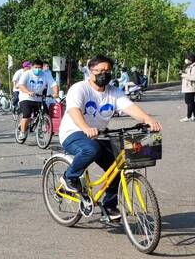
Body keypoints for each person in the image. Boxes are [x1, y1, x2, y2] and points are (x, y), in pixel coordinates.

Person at [58, 54, 162, 221]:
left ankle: (109, 206)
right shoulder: (79, 88)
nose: (103, 74)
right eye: (100, 70)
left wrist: (147, 119)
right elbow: (74, 110)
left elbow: (130, 107)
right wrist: (85, 127)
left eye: (107, 71)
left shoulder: (114, 92)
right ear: (91, 71)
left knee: (118, 165)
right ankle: (69, 177)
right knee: (92, 149)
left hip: (99, 133)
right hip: (73, 132)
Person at [16, 58, 59, 143]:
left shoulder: (45, 74)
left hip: (39, 98)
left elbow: (53, 84)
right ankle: (23, 132)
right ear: (32, 67)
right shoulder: (27, 74)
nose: (38, 69)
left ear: (42, 68)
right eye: (36, 67)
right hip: (26, 97)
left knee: (46, 113)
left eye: (40, 67)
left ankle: (40, 128)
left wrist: (56, 93)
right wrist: (28, 92)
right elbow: (21, 85)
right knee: (27, 114)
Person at [182, 53, 195, 122]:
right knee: (191, 102)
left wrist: (183, 75)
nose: (186, 60)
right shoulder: (189, 66)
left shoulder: (194, 67)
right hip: (188, 87)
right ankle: (193, 116)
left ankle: (188, 117)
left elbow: (193, 77)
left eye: (187, 58)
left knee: (189, 102)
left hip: (190, 87)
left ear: (191, 59)